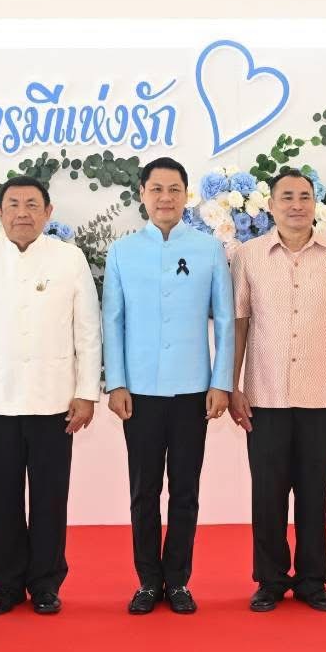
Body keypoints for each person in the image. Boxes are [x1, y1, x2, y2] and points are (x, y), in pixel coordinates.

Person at [0, 176, 102, 616]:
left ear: (48, 212)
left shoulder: (69, 258)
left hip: (55, 401)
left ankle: (46, 583)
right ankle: (5, 583)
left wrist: (86, 392)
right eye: (13, 204)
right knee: (0, 497)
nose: (23, 212)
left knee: (50, 496)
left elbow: (87, 331)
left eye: (32, 204)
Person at [230, 168, 326, 613]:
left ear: (316, 204)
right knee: (266, 493)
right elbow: (240, 325)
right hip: (265, 395)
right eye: (286, 196)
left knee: (314, 492)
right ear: (270, 205)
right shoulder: (248, 256)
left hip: (322, 396)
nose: (296, 204)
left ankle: (312, 579)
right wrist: (230, 386)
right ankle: (269, 579)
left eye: (304, 196)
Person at [102, 157, 234, 615]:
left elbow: (226, 322)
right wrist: (115, 383)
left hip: (193, 390)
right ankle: (146, 580)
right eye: (157, 189)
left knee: (186, 489)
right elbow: (112, 322)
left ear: (186, 196)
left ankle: (177, 580)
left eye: (174, 189)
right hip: (138, 391)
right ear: (143, 193)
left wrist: (222, 382)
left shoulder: (207, 248)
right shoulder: (121, 251)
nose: (165, 198)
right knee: (143, 491)